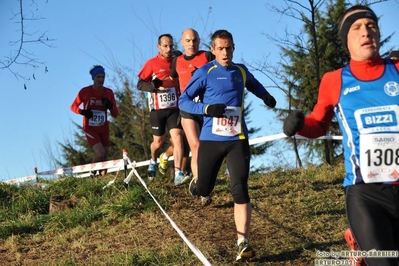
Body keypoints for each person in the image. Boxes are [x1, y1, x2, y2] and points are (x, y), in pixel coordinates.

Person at [283, 5, 399, 266]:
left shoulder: (397, 69)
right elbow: (319, 124)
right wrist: (299, 125)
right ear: (347, 40)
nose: (366, 32)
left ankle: (358, 247)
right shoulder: (335, 80)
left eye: (371, 26)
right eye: (357, 28)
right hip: (365, 194)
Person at [179, 29, 277, 262]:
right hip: (211, 140)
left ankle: (242, 242)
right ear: (212, 50)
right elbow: (183, 100)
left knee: (240, 187)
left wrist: (266, 97)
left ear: (233, 48)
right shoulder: (205, 72)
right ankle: (198, 184)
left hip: (237, 140)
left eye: (229, 47)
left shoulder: (240, 71)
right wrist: (206, 109)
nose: (225, 52)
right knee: (205, 189)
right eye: (220, 48)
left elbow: (253, 84)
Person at [169, 28, 215, 201]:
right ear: (182, 42)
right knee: (195, 146)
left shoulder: (207, 57)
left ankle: (204, 179)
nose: (192, 44)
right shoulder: (177, 61)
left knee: (207, 147)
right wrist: (153, 87)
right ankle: (203, 188)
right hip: (187, 108)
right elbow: (172, 78)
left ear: (199, 41)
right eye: (188, 41)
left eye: (195, 40)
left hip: (206, 107)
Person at [137, 33, 189, 185]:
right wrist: (152, 87)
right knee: (158, 143)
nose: (168, 49)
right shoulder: (151, 63)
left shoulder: (177, 60)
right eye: (165, 46)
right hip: (158, 110)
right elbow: (140, 84)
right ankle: (153, 160)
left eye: (171, 46)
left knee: (178, 139)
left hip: (175, 108)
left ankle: (178, 174)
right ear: (158, 47)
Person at [70, 65, 119, 177]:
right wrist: (83, 112)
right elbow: (73, 107)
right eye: (98, 77)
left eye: (103, 77)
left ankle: (102, 182)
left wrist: (110, 105)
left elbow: (115, 114)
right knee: (100, 153)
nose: (101, 80)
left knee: (105, 159)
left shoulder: (108, 93)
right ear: (93, 78)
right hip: (90, 128)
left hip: (104, 128)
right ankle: (92, 173)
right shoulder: (85, 91)